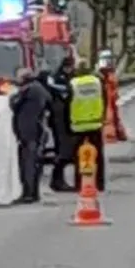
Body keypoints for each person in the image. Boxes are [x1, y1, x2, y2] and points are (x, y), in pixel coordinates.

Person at [9, 67, 51, 203]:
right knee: (34, 162)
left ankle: (29, 193)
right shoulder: (39, 88)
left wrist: (13, 96)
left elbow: (13, 104)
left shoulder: (27, 90)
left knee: (28, 162)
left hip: (28, 131)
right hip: (36, 129)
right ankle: (33, 192)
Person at [69, 62, 107, 191]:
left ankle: (79, 184)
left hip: (78, 125)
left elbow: (68, 103)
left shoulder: (73, 83)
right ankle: (100, 183)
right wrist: (103, 116)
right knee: (98, 156)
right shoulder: (97, 82)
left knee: (78, 156)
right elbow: (105, 99)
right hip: (95, 122)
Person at [46, 55, 76, 192]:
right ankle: (57, 181)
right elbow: (64, 93)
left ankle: (58, 180)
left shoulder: (63, 78)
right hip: (59, 120)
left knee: (64, 152)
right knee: (63, 152)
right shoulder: (57, 79)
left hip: (64, 119)